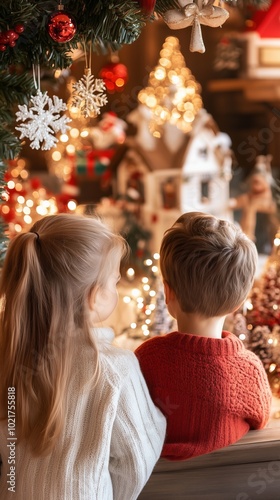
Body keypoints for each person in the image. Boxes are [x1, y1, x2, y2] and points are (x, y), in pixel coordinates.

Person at [0, 213, 166, 499]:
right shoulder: (116, 368)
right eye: (114, 281)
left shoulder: (9, 352)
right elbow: (137, 459)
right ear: (93, 295)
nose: (116, 288)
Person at [135, 211, 272, 461]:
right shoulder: (248, 371)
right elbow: (262, 420)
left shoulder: (146, 360)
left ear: (168, 293)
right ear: (238, 303)